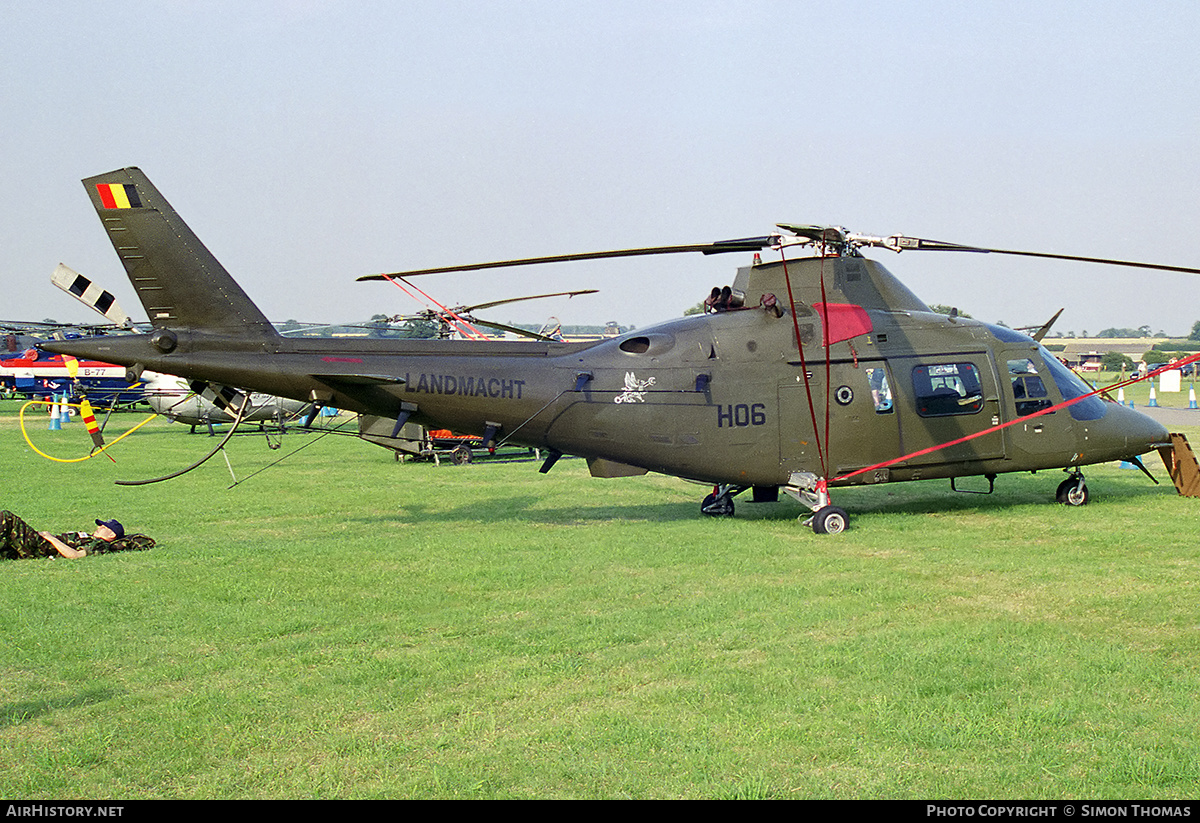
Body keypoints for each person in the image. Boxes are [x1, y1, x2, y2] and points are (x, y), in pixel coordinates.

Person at [0, 511, 155, 560]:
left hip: (41, 546)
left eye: (103, 526)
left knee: (6, 518)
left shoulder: (99, 544)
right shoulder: (90, 537)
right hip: (38, 545)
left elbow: (75, 555)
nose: (99, 527)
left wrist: (50, 537)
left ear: (111, 534)